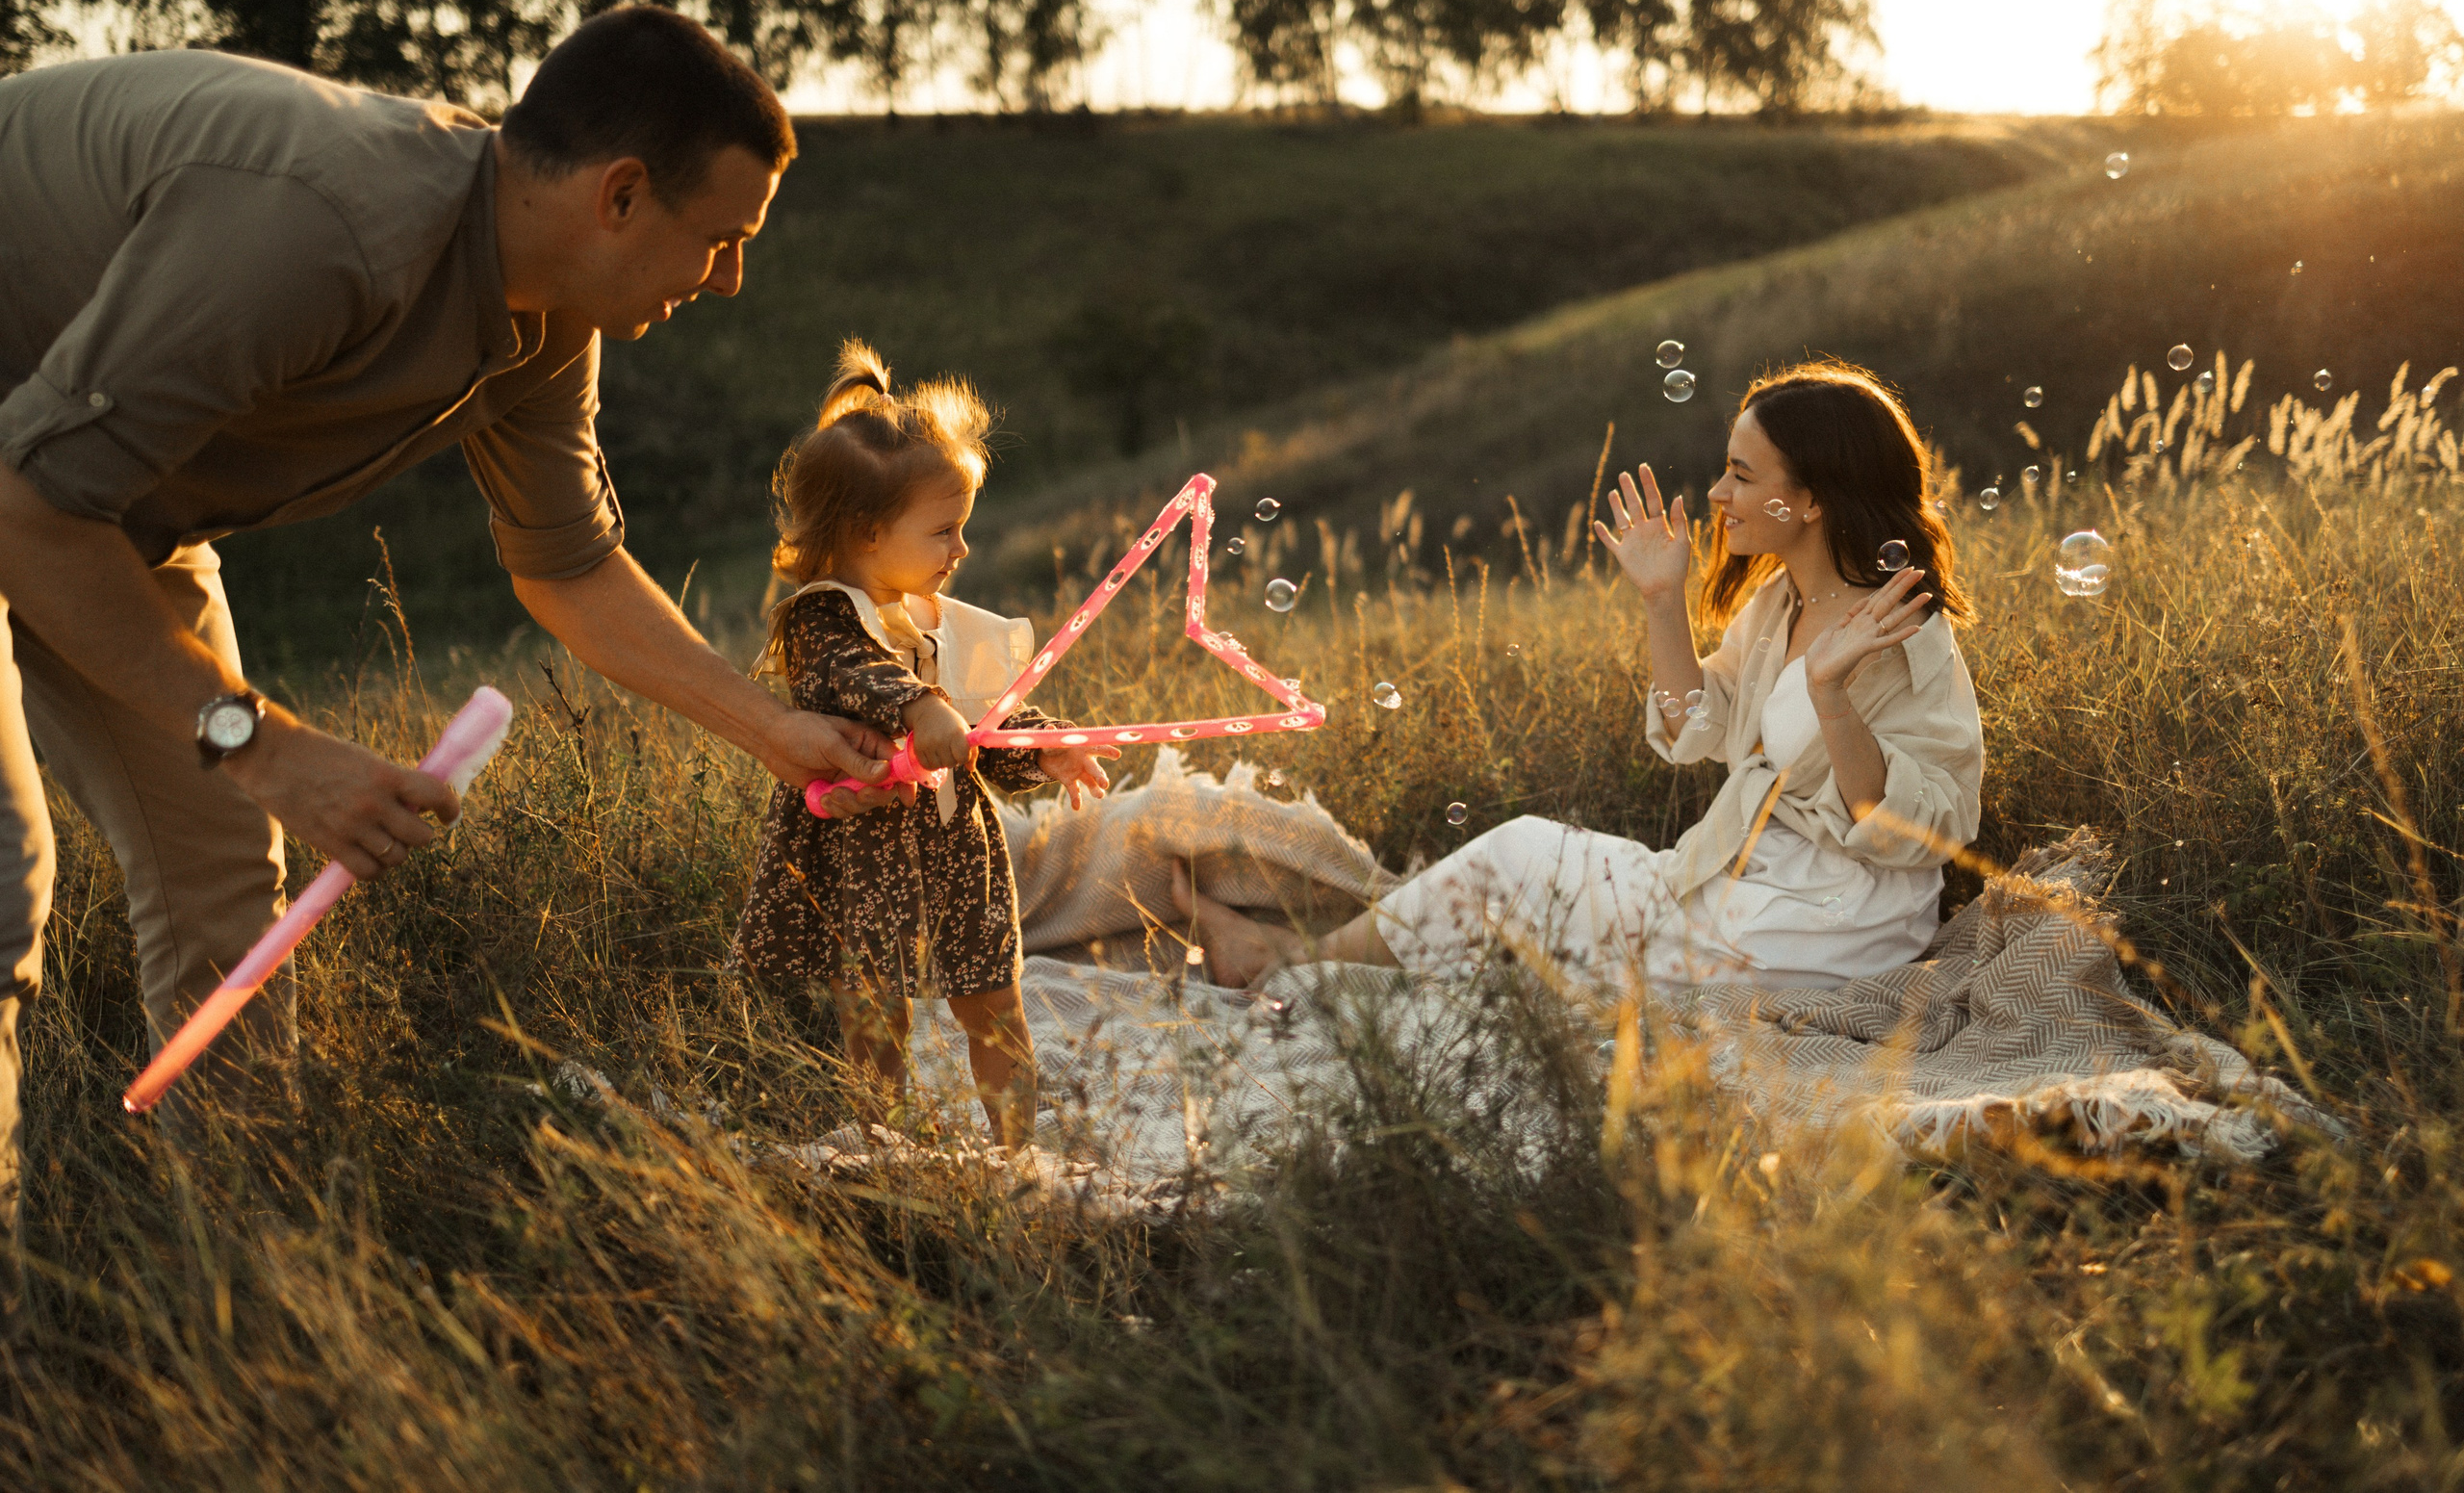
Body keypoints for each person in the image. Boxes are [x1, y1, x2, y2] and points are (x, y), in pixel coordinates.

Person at [0, 8, 911, 1254]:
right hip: (35, 488)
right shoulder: (317, 228)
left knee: (220, 858)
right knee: (10, 873)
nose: (729, 280)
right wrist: (263, 742)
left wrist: (772, 726)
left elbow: (571, 565)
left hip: (85, 495)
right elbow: (27, 510)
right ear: (621, 195)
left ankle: (246, 1270)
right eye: (723, 240)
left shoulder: (545, 321)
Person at [1178, 361, 1985, 1003]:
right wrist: (1662, 600)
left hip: (1831, 926)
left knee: (1534, 896)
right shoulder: (1782, 601)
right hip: (1750, 882)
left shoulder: (1903, 633)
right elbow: (1694, 727)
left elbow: (1917, 828)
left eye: (1741, 475)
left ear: (1807, 500)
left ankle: (1291, 963)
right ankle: (1296, 959)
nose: (1716, 494)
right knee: (1527, 873)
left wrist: (1833, 697)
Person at [732, 344, 1114, 1147]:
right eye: (945, 530)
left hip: (954, 841)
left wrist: (1040, 748)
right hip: (863, 847)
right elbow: (853, 673)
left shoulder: (938, 619)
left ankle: (1015, 1150)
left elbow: (985, 721)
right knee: (873, 1005)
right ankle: (883, 1133)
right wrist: (917, 704)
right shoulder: (824, 615)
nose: (961, 549)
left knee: (993, 996)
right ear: (868, 534)